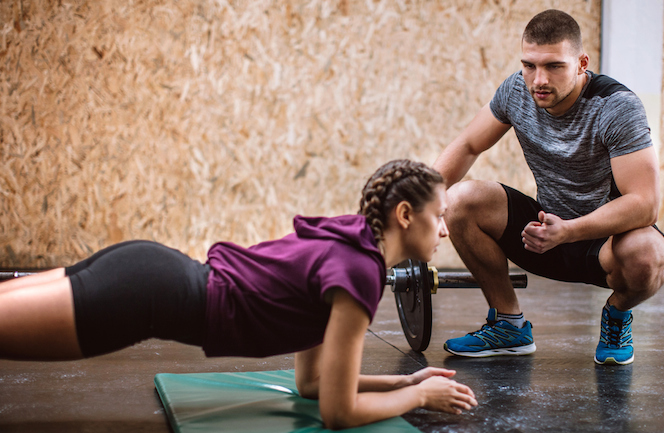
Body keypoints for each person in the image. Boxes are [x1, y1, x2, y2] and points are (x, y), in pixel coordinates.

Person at [0, 159, 477, 430]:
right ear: (404, 216)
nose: (445, 231)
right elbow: (337, 412)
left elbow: (311, 387)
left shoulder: (349, 240)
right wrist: (419, 399)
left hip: (144, 270)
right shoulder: (360, 276)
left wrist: (403, 383)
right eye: (439, 217)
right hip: (143, 296)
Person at [434, 9, 664, 365]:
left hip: (605, 242)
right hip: (544, 233)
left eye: (554, 66)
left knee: (647, 256)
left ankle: (618, 313)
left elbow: (645, 204)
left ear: (581, 63)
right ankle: (509, 325)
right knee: (457, 200)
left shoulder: (617, 107)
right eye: (529, 65)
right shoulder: (517, 90)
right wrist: (426, 205)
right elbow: (468, 145)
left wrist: (570, 231)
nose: (538, 80)